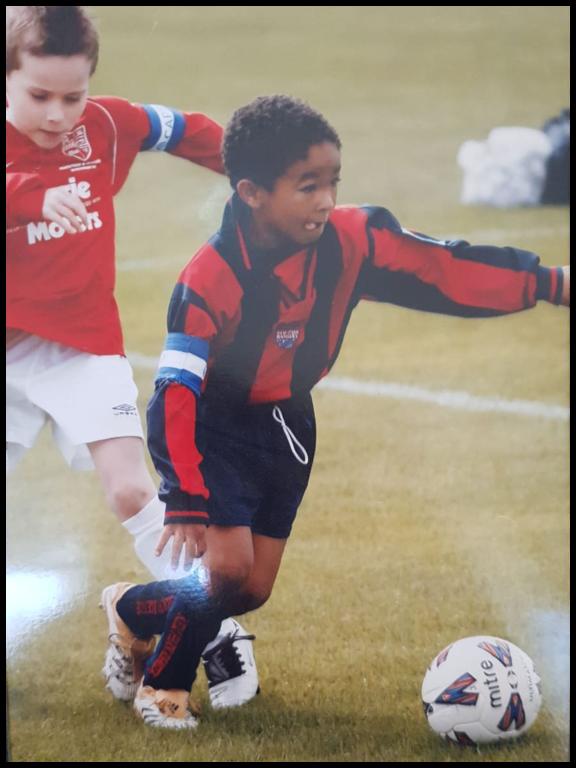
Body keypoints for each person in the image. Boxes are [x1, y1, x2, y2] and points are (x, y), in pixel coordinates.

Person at [101, 93, 570, 729]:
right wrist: (184, 492)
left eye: (332, 182)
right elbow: (173, 392)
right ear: (251, 193)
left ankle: (133, 612)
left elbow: (446, 270)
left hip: (288, 424)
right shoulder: (209, 278)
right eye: (307, 186)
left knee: (251, 588)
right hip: (211, 425)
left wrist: (548, 284)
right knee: (227, 566)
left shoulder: (355, 239)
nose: (325, 199)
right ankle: (164, 688)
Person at [5, 5, 258, 709]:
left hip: (80, 341)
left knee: (131, 489)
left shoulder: (106, 125)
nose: (58, 114)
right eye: (38, 96)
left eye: (72, 95)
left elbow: (184, 129)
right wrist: (31, 195)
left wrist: (258, 173)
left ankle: (214, 625)